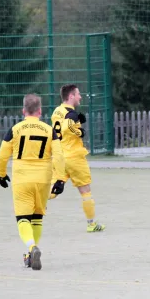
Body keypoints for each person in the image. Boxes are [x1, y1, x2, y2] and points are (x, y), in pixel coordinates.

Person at [0, 94, 66, 270]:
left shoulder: (15, 129)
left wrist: (2, 174)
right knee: (37, 218)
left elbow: (3, 154)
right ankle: (30, 255)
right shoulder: (49, 130)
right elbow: (58, 156)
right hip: (43, 179)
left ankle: (31, 247)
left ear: (23, 111)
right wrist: (59, 179)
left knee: (22, 219)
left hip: (22, 178)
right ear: (40, 111)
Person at [50, 84, 105, 232]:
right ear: (71, 96)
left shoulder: (57, 111)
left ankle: (30, 202)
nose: (80, 97)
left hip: (60, 156)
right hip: (74, 157)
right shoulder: (71, 114)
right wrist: (80, 131)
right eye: (78, 94)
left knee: (53, 191)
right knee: (85, 190)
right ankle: (91, 224)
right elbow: (69, 127)